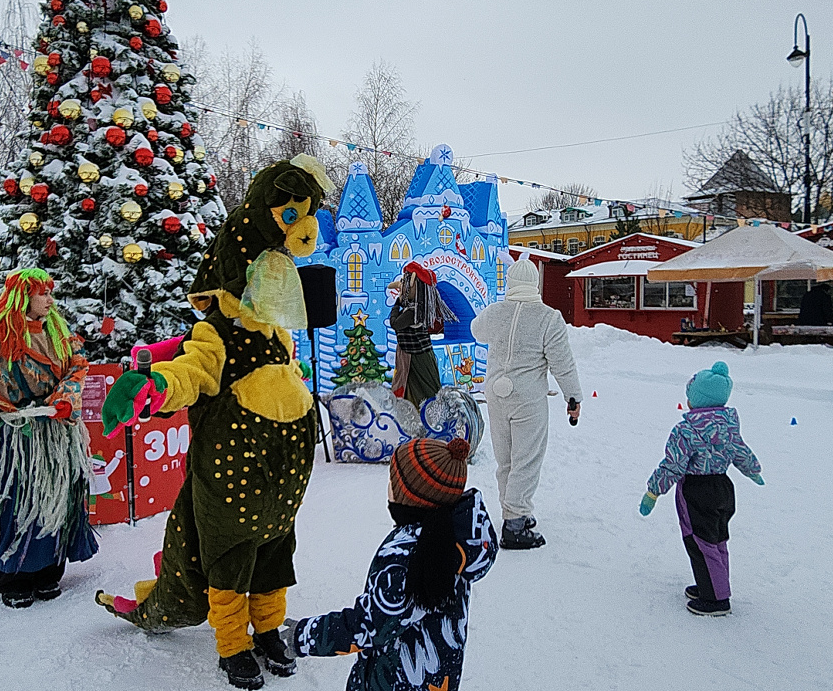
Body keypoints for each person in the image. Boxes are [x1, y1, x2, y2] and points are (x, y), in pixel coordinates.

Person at [95, 154, 334, 690]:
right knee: (229, 559)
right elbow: (191, 371)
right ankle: (233, 643)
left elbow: (285, 375)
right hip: (233, 478)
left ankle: (267, 628)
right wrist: (155, 387)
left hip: (279, 483)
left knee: (274, 555)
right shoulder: (217, 333)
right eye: (268, 277)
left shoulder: (278, 333)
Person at [285, 436, 497, 691]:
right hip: (438, 677)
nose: (388, 487)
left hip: (395, 680)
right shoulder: (453, 537)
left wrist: (302, 635)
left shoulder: (407, 556)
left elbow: (368, 624)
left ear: (411, 496)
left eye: (393, 482)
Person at [0, 268, 96, 608]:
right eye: (43, 293)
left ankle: (49, 572)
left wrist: (65, 398)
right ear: (24, 298)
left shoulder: (59, 333)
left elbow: (77, 367)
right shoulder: (0, 340)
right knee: (18, 502)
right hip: (17, 439)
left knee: (56, 501)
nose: (50, 299)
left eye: (50, 292)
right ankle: (15, 577)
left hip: (55, 436)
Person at [470, 256, 582, 550]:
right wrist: (573, 397)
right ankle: (515, 523)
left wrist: (499, 315)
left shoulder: (495, 312)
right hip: (527, 399)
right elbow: (563, 364)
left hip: (496, 395)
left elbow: (476, 330)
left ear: (510, 283)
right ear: (535, 283)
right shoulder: (548, 318)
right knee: (526, 460)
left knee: (505, 459)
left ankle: (513, 511)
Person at [639, 361, 763, 617]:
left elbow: (673, 466)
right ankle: (714, 585)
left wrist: (653, 491)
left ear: (698, 400)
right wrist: (753, 470)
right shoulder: (729, 426)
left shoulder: (685, 430)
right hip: (723, 487)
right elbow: (740, 451)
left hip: (697, 490)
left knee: (700, 542)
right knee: (717, 540)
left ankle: (716, 599)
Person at [388, 262, 457, 408]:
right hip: (415, 354)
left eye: (406, 283)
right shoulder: (418, 308)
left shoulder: (413, 311)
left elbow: (395, 323)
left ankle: (427, 412)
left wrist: (396, 304)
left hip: (415, 358)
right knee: (416, 387)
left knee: (421, 388)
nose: (402, 286)